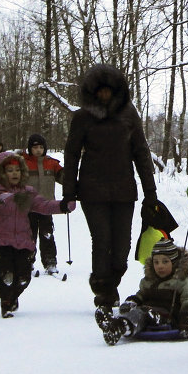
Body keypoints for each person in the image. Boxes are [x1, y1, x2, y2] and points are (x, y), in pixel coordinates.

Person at [60, 64, 157, 319]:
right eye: (99, 91)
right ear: (92, 92)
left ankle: (109, 281)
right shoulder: (82, 117)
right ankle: (103, 291)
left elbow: (141, 152)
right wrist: (69, 192)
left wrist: (151, 191)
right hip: (92, 191)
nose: (104, 95)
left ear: (117, 92)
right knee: (102, 241)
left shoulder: (128, 115)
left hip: (124, 190)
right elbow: (71, 155)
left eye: (109, 91)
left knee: (122, 247)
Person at [0, 150, 75, 317]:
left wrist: (62, 206)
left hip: (22, 241)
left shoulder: (27, 192)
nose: (14, 174)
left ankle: (13, 296)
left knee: (23, 276)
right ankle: (5, 301)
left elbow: (44, 205)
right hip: (0, 241)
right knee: (5, 274)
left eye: (17, 170)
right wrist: (4, 197)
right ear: (2, 173)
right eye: (10, 171)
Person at [97, 238, 188, 346]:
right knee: (135, 311)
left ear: (175, 262)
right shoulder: (150, 281)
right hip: (146, 312)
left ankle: (120, 327)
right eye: (156, 262)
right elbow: (141, 295)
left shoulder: (184, 280)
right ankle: (113, 322)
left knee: (143, 313)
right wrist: (132, 301)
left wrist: (187, 318)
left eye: (165, 261)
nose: (160, 266)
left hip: (169, 317)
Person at [23, 133, 63, 275]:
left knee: (47, 234)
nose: (38, 150)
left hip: (47, 206)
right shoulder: (24, 163)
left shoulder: (51, 163)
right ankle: (27, 261)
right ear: (30, 149)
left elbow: (63, 177)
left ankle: (50, 261)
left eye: (41, 147)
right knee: (29, 235)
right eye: (35, 148)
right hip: (29, 207)